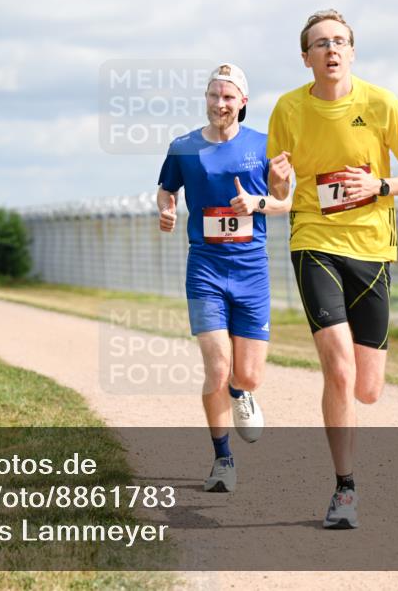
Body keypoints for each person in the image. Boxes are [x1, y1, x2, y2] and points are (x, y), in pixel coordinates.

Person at [266, 10, 398, 528]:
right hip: (314, 239)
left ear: (352, 52)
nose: (331, 49)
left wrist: (379, 186)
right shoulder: (288, 108)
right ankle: (345, 489)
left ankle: (354, 419)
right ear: (306, 57)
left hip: (372, 248)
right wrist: (277, 178)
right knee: (338, 369)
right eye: (320, 43)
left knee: (366, 388)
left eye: (339, 41)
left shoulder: (381, 103)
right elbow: (279, 190)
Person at [157, 63, 292, 493]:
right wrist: (166, 209)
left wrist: (259, 201)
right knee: (217, 369)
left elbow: (285, 202)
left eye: (229, 96)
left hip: (251, 271)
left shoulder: (265, 144)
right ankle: (222, 459)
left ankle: (241, 393)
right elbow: (166, 189)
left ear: (243, 102)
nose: (220, 103)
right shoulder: (183, 147)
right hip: (205, 268)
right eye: (214, 95)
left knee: (247, 376)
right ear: (206, 98)